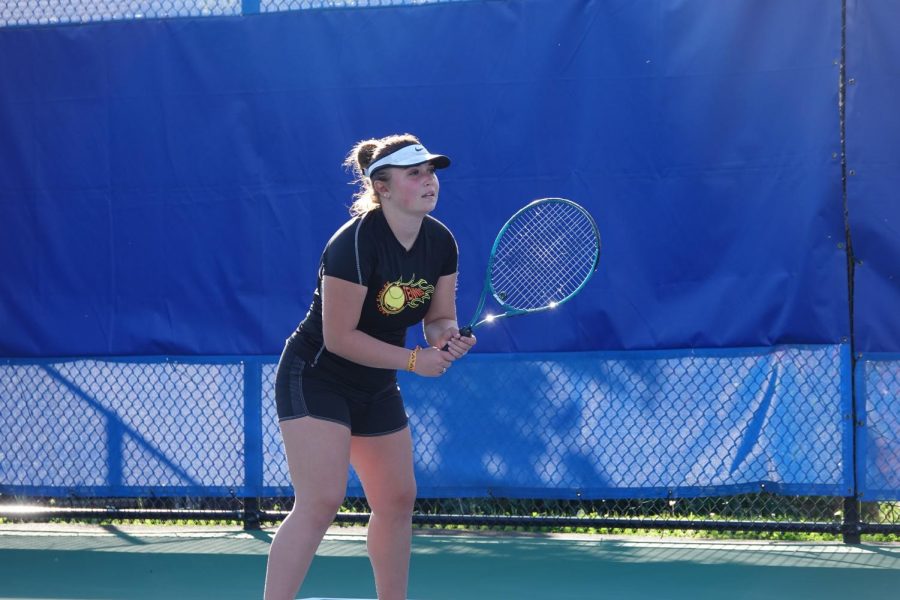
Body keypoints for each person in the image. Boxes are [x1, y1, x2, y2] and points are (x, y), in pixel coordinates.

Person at [264, 133, 477, 600]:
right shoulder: (355, 244)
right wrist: (415, 361)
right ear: (381, 187)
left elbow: (439, 317)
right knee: (321, 501)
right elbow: (340, 338)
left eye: (431, 171)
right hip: (317, 375)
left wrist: (445, 339)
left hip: (376, 383)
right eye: (414, 173)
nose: (429, 181)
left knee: (397, 500)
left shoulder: (441, 242)